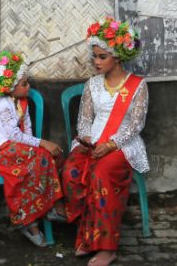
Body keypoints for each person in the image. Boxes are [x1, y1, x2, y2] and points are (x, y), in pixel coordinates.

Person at [61, 17, 148, 266]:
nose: (96, 62)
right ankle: (88, 236)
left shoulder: (138, 86)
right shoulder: (92, 85)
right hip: (93, 141)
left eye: (102, 57)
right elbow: (84, 120)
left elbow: (135, 125)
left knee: (100, 175)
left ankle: (107, 248)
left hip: (122, 143)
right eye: (95, 56)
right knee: (71, 171)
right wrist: (87, 140)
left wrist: (111, 144)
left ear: (117, 57)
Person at [0, 51, 66, 247]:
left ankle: (48, 205)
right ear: (10, 88)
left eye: (28, 83)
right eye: (24, 84)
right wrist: (42, 143)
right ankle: (29, 220)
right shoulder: (1, 106)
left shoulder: (22, 103)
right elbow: (14, 135)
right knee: (40, 157)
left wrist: (39, 145)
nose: (29, 87)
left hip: (12, 148)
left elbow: (27, 131)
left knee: (50, 156)